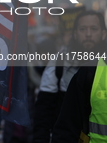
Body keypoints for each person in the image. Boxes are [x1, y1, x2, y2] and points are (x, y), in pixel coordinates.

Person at [32, 10, 107, 143]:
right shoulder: (59, 62)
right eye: (82, 29)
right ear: (75, 34)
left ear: (103, 33)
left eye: (94, 29)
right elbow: (44, 111)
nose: (88, 34)